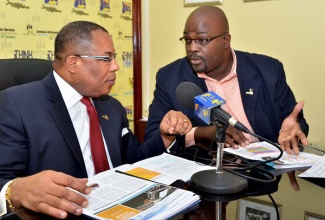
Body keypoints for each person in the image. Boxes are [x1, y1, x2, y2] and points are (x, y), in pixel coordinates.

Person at [0, 21, 192, 218]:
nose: (116, 66)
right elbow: (2, 179)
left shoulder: (111, 106)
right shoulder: (16, 104)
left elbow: (134, 159)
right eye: (106, 59)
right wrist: (16, 190)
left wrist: (164, 136)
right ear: (73, 63)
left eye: (114, 58)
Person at [144, 6, 308, 190]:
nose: (192, 48)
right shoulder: (170, 78)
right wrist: (200, 134)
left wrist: (295, 129)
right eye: (188, 40)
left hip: (259, 181)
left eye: (202, 40)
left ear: (225, 41)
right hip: (200, 184)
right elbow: (153, 141)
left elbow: (294, 122)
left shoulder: (269, 71)